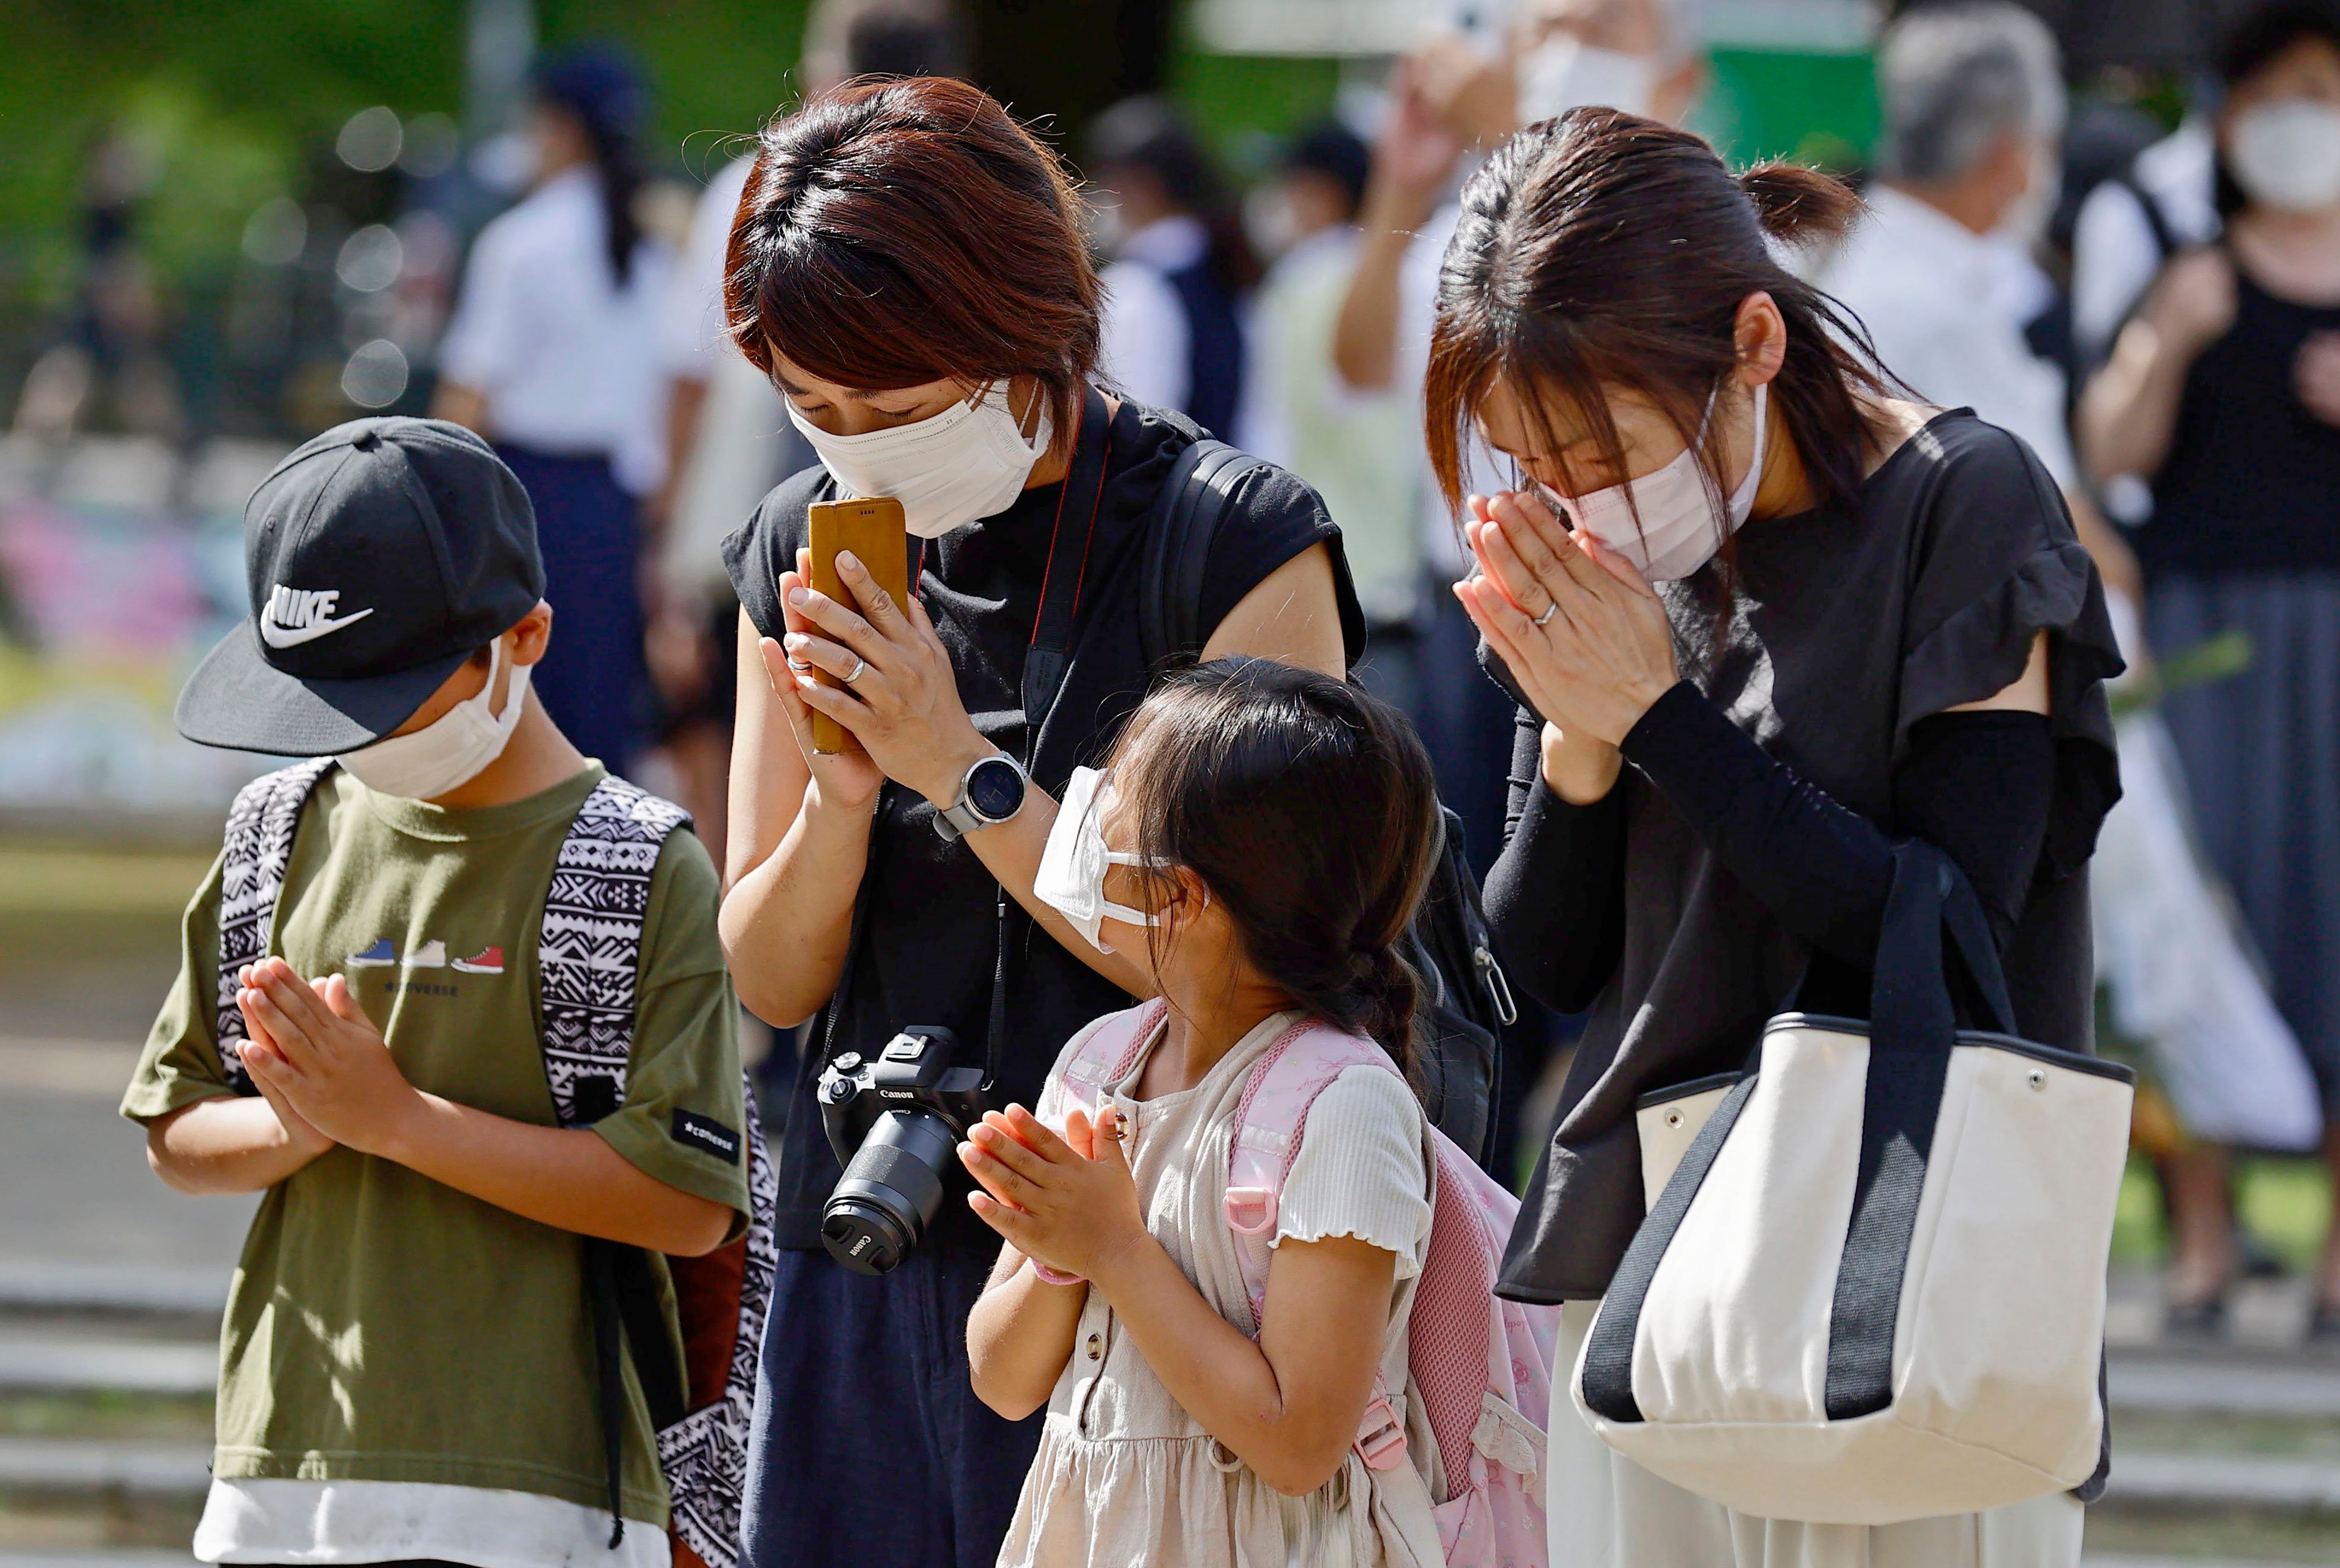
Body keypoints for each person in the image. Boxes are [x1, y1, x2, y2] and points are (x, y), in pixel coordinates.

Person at [1432, 109, 2121, 1563]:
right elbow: (1541, 960)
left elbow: (1944, 929)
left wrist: (1658, 714)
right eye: (1525, 458)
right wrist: (1577, 743)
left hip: (1898, 1259)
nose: (1571, 496)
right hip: (1641, 1268)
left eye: (1602, 444)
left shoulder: (1964, 505)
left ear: (1752, 342)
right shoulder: (1600, 550)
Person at [714, 77, 1361, 1568]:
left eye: (897, 406)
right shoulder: (795, 550)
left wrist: (958, 763)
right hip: (861, 1227)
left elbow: (1253, 967)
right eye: (816, 415)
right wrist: (841, 795)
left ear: (1026, 323)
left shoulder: (1235, 541)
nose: (859, 451)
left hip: (1152, 1262)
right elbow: (765, 975)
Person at [123, 417, 747, 1566]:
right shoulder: (274, 831)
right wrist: (296, 1119)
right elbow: (173, 1128)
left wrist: (397, 1122)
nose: (349, 734)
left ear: (525, 636)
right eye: (320, 698)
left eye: (386, 694)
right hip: (278, 1479)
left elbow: (687, 1200)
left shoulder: (639, 862)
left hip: (544, 1496)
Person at [963, 658, 1445, 1566]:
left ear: (1186, 895)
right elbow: (1002, 1375)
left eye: (1120, 792)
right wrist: (1061, 1249)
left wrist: (1112, 1247)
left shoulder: (1343, 1108)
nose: (1091, 810)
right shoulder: (1100, 1061)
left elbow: (1299, 1442)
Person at [2078, 0, 2340, 1342]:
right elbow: (2107, 449)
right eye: (2285, 92)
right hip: (2209, 642)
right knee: (2201, 915)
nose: (2308, 119)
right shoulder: (2181, 261)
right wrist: (2173, 334)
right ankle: (2199, 1245)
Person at [1333, 0, 1704, 875]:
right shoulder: (1471, 217)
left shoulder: (1704, 219)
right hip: (1474, 617)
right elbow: (1357, 364)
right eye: (1548, 29)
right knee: (1487, 907)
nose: (1569, 50)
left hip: (1640, 610)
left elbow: (1580, 291)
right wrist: (1400, 184)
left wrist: (1506, 135)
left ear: (1682, 75)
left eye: (1603, 26)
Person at [649, 0, 970, 860]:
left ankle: (742, 908)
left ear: (834, 72)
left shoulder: (768, 184)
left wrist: (670, 533)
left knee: (752, 731)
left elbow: (691, 379)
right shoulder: (973, 187)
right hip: (958, 527)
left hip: (776, 518)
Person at [435, 46, 672, 776]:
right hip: (613, 505)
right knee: (601, 712)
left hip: (525, 498)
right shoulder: (654, 245)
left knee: (517, 708)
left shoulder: (522, 242)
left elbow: (468, 399)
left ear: (561, 128)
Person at [1244, 122, 1423, 704]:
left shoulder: (1303, 281)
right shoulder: (1398, 275)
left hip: (1320, 574)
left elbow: (1269, 437)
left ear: (1321, 193)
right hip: (1401, 575)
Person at [1086, 95, 1260, 445]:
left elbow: (1130, 439)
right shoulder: (1229, 273)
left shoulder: (1134, 289)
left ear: (1143, 187)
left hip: (1166, 494)